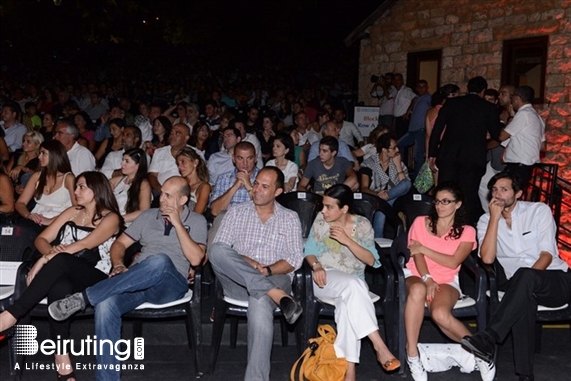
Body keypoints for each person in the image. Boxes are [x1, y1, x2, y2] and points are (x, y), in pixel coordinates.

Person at [48, 176, 207, 381]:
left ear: (183, 200)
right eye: (162, 193)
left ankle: (85, 297)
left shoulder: (197, 220)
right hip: (138, 280)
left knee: (159, 261)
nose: (162, 199)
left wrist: (177, 223)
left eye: (168, 195)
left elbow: (196, 259)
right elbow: (119, 244)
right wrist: (119, 264)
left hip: (171, 282)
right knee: (105, 304)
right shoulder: (148, 216)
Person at [0, 171, 123, 380]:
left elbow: (85, 244)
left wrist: (45, 259)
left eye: (81, 187)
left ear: (96, 189)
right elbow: (42, 239)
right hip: (63, 271)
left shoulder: (111, 217)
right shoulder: (72, 211)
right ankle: (62, 359)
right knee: (60, 287)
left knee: (62, 261)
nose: (75, 191)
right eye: (76, 187)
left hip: (96, 278)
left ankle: (11, 314)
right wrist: (49, 253)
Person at [462, 172, 570, 381]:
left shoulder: (538, 211)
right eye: (494, 189)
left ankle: (490, 336)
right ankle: (525, 374)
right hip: (519, 285)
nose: (498, 194)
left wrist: (525, 281)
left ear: (518, 193)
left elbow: (547, 255)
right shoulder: (485, 220)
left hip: (554, 280)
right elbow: (487, 258)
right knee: (524, 297)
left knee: (524, 278)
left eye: (504, 189)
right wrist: (494, 218)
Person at [208, 167, 304, 381]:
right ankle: (276, 294)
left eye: (264, 186)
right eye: (256, 183)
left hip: (275, 277)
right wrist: (249, 262)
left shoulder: (289, 218)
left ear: (277, 192)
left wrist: (268, 270)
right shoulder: (237, 212)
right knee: (216, 249)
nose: (256, 189)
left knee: (259, 299)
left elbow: (294, 260)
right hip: (237, 282)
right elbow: (221, 250)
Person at [304, 184, 400, 381]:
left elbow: (372, 261)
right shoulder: (321, 221)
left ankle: (349, 373)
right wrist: (317, 267)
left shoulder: (363, 225)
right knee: (354, 288)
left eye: (329, 207)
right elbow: (309, 251)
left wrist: (348, 240)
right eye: (324, 205)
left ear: (344, 209)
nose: (323, 211)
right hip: (323, 279)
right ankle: (379, 346)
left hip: (354, 283)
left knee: (348, 307)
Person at [403, 182, 494, 381]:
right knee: (417, 290)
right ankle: (412, 355)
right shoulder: (421, 222)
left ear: (458, 204)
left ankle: (481, 352)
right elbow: (415, 255)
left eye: (446, 202)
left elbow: (453, 262)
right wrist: (426, 278)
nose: (439, 206)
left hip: (446, 278)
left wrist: (425, 249)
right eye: (437, 201)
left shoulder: (467, 231)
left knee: (440, 314)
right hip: (416, 273)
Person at [428, 76, 501, 225]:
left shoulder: (451, 103)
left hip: (449, 156)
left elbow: (437, 130)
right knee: (467, 196)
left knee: (446, 193)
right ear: (483, 91)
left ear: (467, 89)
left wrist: (432, 154)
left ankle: (441, 225)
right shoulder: (489, 108)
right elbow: (496, 134)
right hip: (472, 159)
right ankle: (462, 229)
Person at [360, 133, 411, 237]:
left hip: (396, 198)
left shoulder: (398, 162)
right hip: (376, 197)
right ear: (384, 150)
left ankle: (385, 199)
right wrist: (377, 194)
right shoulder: (369, 163)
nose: (397, 150)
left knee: (407, 183)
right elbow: (364, 188)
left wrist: (398, 166)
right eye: (393, 148)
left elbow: (405, 186)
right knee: (382, 207)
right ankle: (378, 241)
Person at [15, 140, 76, 227]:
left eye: (43, 153)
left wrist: (50, 221)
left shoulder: (68, 178)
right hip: (35, 221)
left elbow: (77, 208)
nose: (39, 157)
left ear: (54, 155)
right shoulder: (37, 176)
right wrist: (28, 215)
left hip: (59, 223)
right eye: (40, 153)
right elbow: (20, 203)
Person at [498, 86, 545, 190]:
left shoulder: (523, 114)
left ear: (516, 98)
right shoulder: (538, 117)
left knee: (503, 192)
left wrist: (504, 121)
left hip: (517, 165)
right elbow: (542, 147)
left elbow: (502, 136)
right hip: (527, 166)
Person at [210, 142, 259, 217]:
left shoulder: (264, 178)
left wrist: (248, 186)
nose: (245, 163)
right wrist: (235, 185)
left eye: (249, 158)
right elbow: (215, 211)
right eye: (240, 158)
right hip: (227, 223)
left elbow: (266, 210)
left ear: (255, 158)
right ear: (233, 158)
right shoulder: (223, 179)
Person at [397, 80, 431, 178]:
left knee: (418, 154)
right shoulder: (417, 98)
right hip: (412, 130)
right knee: (399, 144)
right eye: (419, 87)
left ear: (427, 87)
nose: (421, 88)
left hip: (421, 129)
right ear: (416, 88)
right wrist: (408, 111)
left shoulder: (429, 98)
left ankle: (418, 178)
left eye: (423, 86)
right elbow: (413, 100)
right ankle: (402, 168)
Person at [109, 148, 151, 225]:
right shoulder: (117, 180)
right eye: (122, 160)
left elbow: (144, 211)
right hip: (110, 220)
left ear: (137, 166)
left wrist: (118, 219)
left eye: (127, 161)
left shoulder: (143, 184)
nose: (122, 164)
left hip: (127, 224)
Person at [177, 147, 211, 214]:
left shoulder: (204, 187)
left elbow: (197, 214)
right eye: (178, 164)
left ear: (195, 162)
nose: (179, 167)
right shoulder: (179, 183)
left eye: (183, 162)